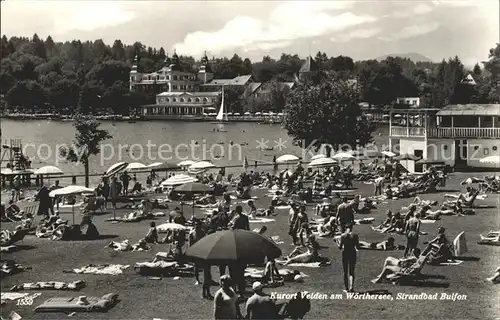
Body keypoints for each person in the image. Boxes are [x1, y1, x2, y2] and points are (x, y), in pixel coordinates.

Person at [336, 223, 359, 292]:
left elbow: (340, 247)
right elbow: (358, 246)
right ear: (352, 227)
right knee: (352, 272)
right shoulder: (355, 235)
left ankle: (346, 288)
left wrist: (337, 241)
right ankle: (351, 287)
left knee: (345, 272)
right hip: (352, 253)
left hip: (345, 253)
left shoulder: (343, 235)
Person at [189, 220, 206, 285]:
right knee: (196, 266)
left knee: (204, 266)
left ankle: (206, 279)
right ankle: (197, 280)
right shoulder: (192, 233)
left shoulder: (202, 232)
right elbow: (190, 243)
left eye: (197, 225)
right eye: (195, 225)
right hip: (195, 251)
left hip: (201, 250)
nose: (196, 226)